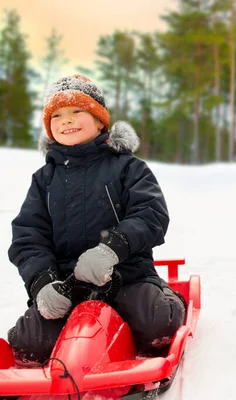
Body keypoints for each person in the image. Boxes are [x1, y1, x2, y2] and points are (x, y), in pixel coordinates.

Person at [7, 74, 186, 364]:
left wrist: (112, 249)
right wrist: (43, 283)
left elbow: (150, 214)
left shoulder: (128, 168)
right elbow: (29, 237)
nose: (66, 120)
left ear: (100, 120)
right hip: (68, 286)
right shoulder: (44, 180)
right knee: (29, 345)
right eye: (57, 115)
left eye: (77, 111)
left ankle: (169, 298)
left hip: (127, 277)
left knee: (157, 325)